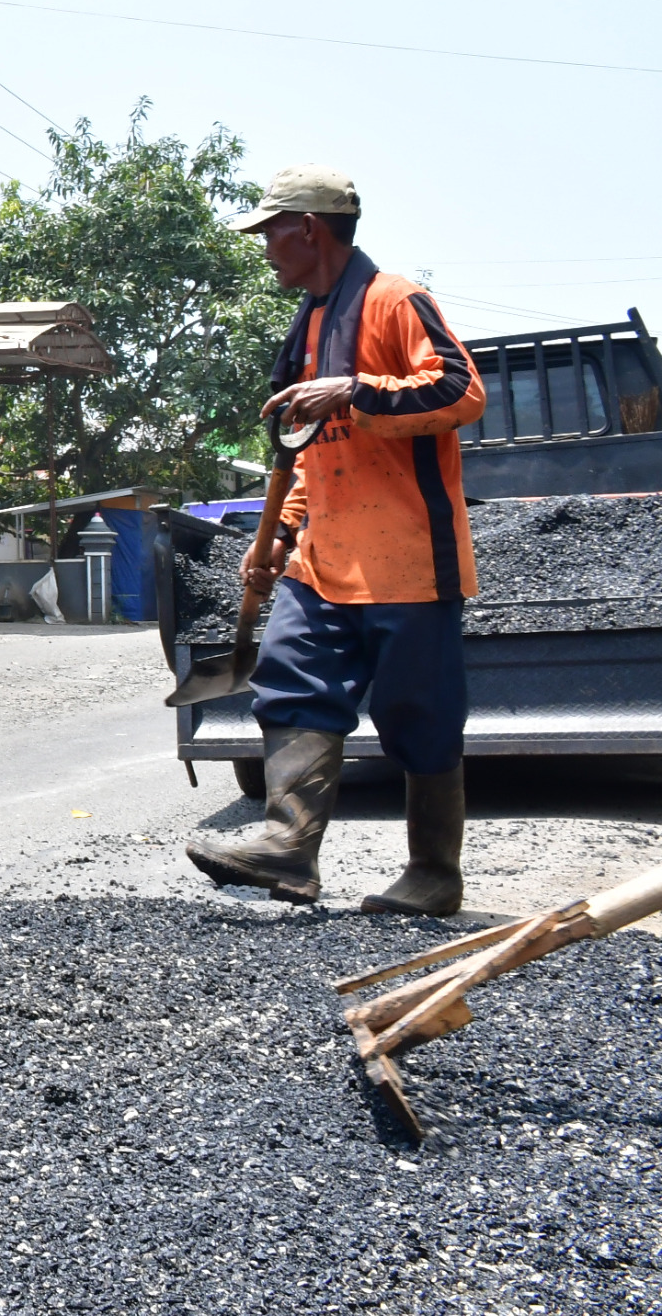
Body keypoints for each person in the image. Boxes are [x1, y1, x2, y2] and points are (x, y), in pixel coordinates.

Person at [186, 167, 485, 914]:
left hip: (409, 560)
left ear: (310, 227)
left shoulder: (393, 301)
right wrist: (278, 536)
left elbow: (461, 391)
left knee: (421, 715)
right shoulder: (311, 322)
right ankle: (288, 850)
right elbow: (309, 453)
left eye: (271, 232)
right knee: (289, 678)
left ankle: (434, 874)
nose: (264, 249)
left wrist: (355, 387)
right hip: (326, 559)